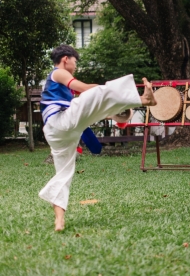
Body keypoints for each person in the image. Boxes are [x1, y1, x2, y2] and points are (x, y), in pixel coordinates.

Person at [38, 45, 157, 231]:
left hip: (58, 132)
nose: (75, 66)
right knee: (98, 93)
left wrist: (115, 111)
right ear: (65, 59)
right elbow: (85, 89)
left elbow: (90, 108)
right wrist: (108, 94)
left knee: (63, 174)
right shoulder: (58, 73)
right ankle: (144, 100)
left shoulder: (56, 83)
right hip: (60, 121)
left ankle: (59, 220)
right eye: (75, 61)